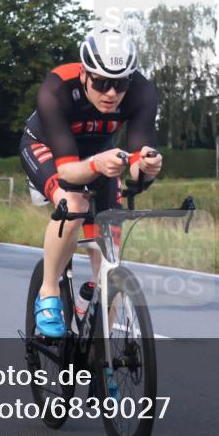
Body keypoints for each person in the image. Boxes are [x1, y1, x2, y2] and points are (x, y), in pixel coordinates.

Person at [19, 24, 163, 338]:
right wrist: (99, 163)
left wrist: (147, 168)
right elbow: (70, 173)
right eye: (101, 83)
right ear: (84, 74)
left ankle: (103, 354)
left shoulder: (142, 92)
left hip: (100, 153)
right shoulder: (56, 88)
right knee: (73, 205)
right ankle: (48, 293)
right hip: (47, 148)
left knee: (109, 242)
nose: (111, 93)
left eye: (120, 84)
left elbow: (138, 161)